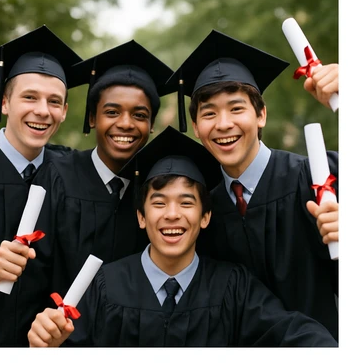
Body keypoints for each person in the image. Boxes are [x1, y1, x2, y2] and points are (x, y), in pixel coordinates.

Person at [27, 128, 337, 347]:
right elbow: (62, 343)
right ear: (140, 216)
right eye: (158, 203)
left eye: (186, 202)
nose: (172, 214)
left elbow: (288, 331)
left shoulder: (234, 286)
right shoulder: (103, 287)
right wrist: (45, 343)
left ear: (206, 217)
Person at [164, 29, 339, 340]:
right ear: (196, 127)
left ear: (261, 115)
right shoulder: (204, 212)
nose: (223, 124)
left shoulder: (321, 176)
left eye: (236, 108)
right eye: (209, 113)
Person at [3, 40, 174, 345]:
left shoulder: (156, 192)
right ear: (93, 118)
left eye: (139, 115)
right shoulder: (56, 177)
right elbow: (29, 280)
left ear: (150, 125)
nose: (125, 123)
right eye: (112, 111)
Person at [0, 25, 83, 347]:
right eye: (30, 97)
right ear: (5, 103)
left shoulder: (71, 175)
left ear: (65, 111)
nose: (43, 110)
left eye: (54, 101)